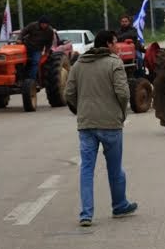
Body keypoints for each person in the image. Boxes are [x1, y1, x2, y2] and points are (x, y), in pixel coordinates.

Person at [64, 30, 138, 227]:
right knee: (115, 169)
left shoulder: (78, 64)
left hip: (86, 124)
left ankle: (86, 214)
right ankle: (119, 205)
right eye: (115, 43)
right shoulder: (114, 63)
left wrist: (80, 110)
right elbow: (123, 93)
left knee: (86, 169)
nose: (117, 46)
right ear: (107, 44)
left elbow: (69, 93)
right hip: (110, 124)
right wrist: (121, 113)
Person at [18, 15, 55, 81]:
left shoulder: (50, 31)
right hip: (27, 46)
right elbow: (23, 32)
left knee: (35, 62)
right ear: (39, 23)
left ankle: (32, 80)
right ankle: (20, 76)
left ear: (48, 24)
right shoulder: (32, 25)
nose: (44, 25)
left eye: (45, 24)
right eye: (42, 24)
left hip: (37, 49)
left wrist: (47, 52)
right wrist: (19, 39)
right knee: (21, 61)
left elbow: (49, 42)